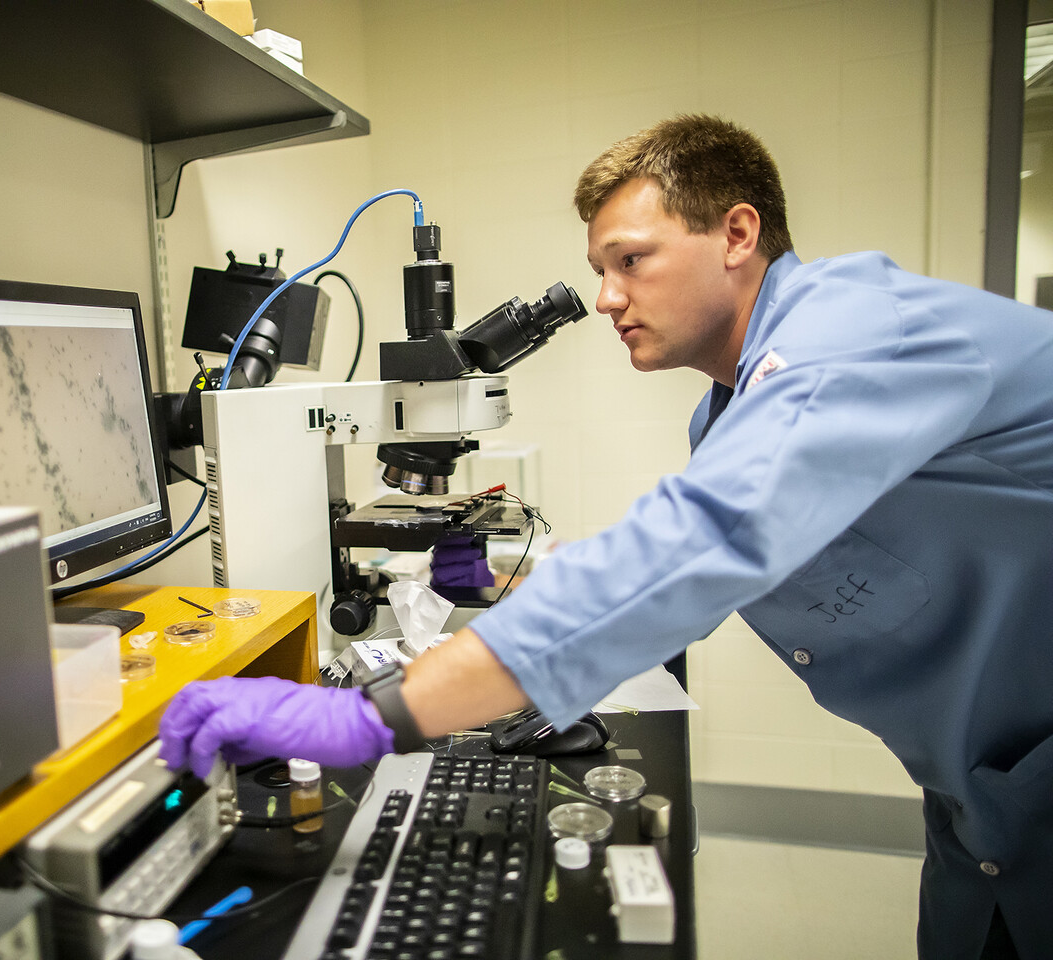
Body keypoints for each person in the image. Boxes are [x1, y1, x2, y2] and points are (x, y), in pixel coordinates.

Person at [159, 115, 1053, 959]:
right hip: (983, 799)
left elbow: (698, 545)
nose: (604, 298)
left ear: (738, 234)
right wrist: (524, 588)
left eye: (630, 260)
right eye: (599, 269)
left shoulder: (847, 336)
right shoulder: (728, 409)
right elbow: (716, 563)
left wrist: (366, 716)